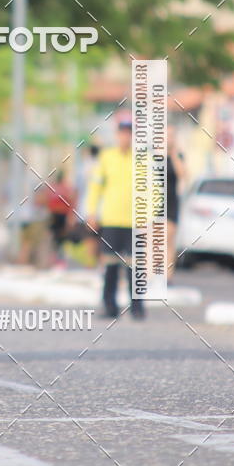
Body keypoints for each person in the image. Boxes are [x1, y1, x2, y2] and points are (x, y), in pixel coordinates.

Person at [86, 115, 144, 320]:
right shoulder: (106, 157)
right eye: (122, 134)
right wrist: (92, 211)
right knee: (110, 265)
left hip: (135, 221)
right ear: (117, 135)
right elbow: (95, 186)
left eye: (129, 134)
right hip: (111, 220)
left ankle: (137, 308)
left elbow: (154, 189)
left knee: (135, 266)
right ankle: (109, 306)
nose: (125, 138)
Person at [166, 126, 186, 281]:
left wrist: (173, 153)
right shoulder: (153, 155)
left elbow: (183, 174)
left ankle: (168, 276)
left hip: (171, 200)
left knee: (169, 239)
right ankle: (151, 274)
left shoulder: (177, 155)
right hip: (154, 200)